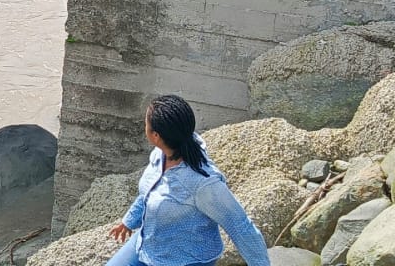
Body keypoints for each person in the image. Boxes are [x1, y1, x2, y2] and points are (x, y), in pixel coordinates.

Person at [106, 95, 271, 266]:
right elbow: (150, 192)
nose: (144, 126)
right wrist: (129, 221)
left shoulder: (202, 183)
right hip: (150, 244)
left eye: (145, 123)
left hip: (186, 259)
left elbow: (240, 226)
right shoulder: (160, 154)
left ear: (155, 135)